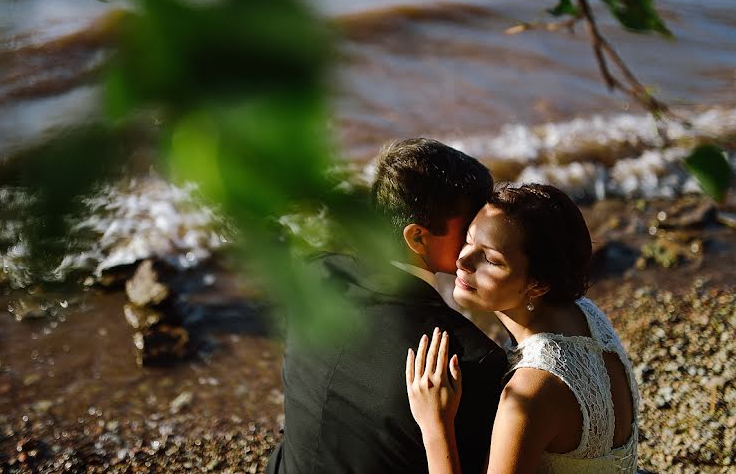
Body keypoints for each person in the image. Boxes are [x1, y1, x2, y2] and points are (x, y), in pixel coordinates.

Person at [266, 138, 508, 474]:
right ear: (418, 237)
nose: (482, 231)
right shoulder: (468, 360)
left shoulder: (313, 274)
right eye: (470, 225)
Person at [405, 183, 640, 474]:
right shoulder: (585, 313)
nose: (463, 261)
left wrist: (435, 424)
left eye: (491, 260)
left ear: (538, 284)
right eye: (468, 240)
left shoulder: (531, 391)